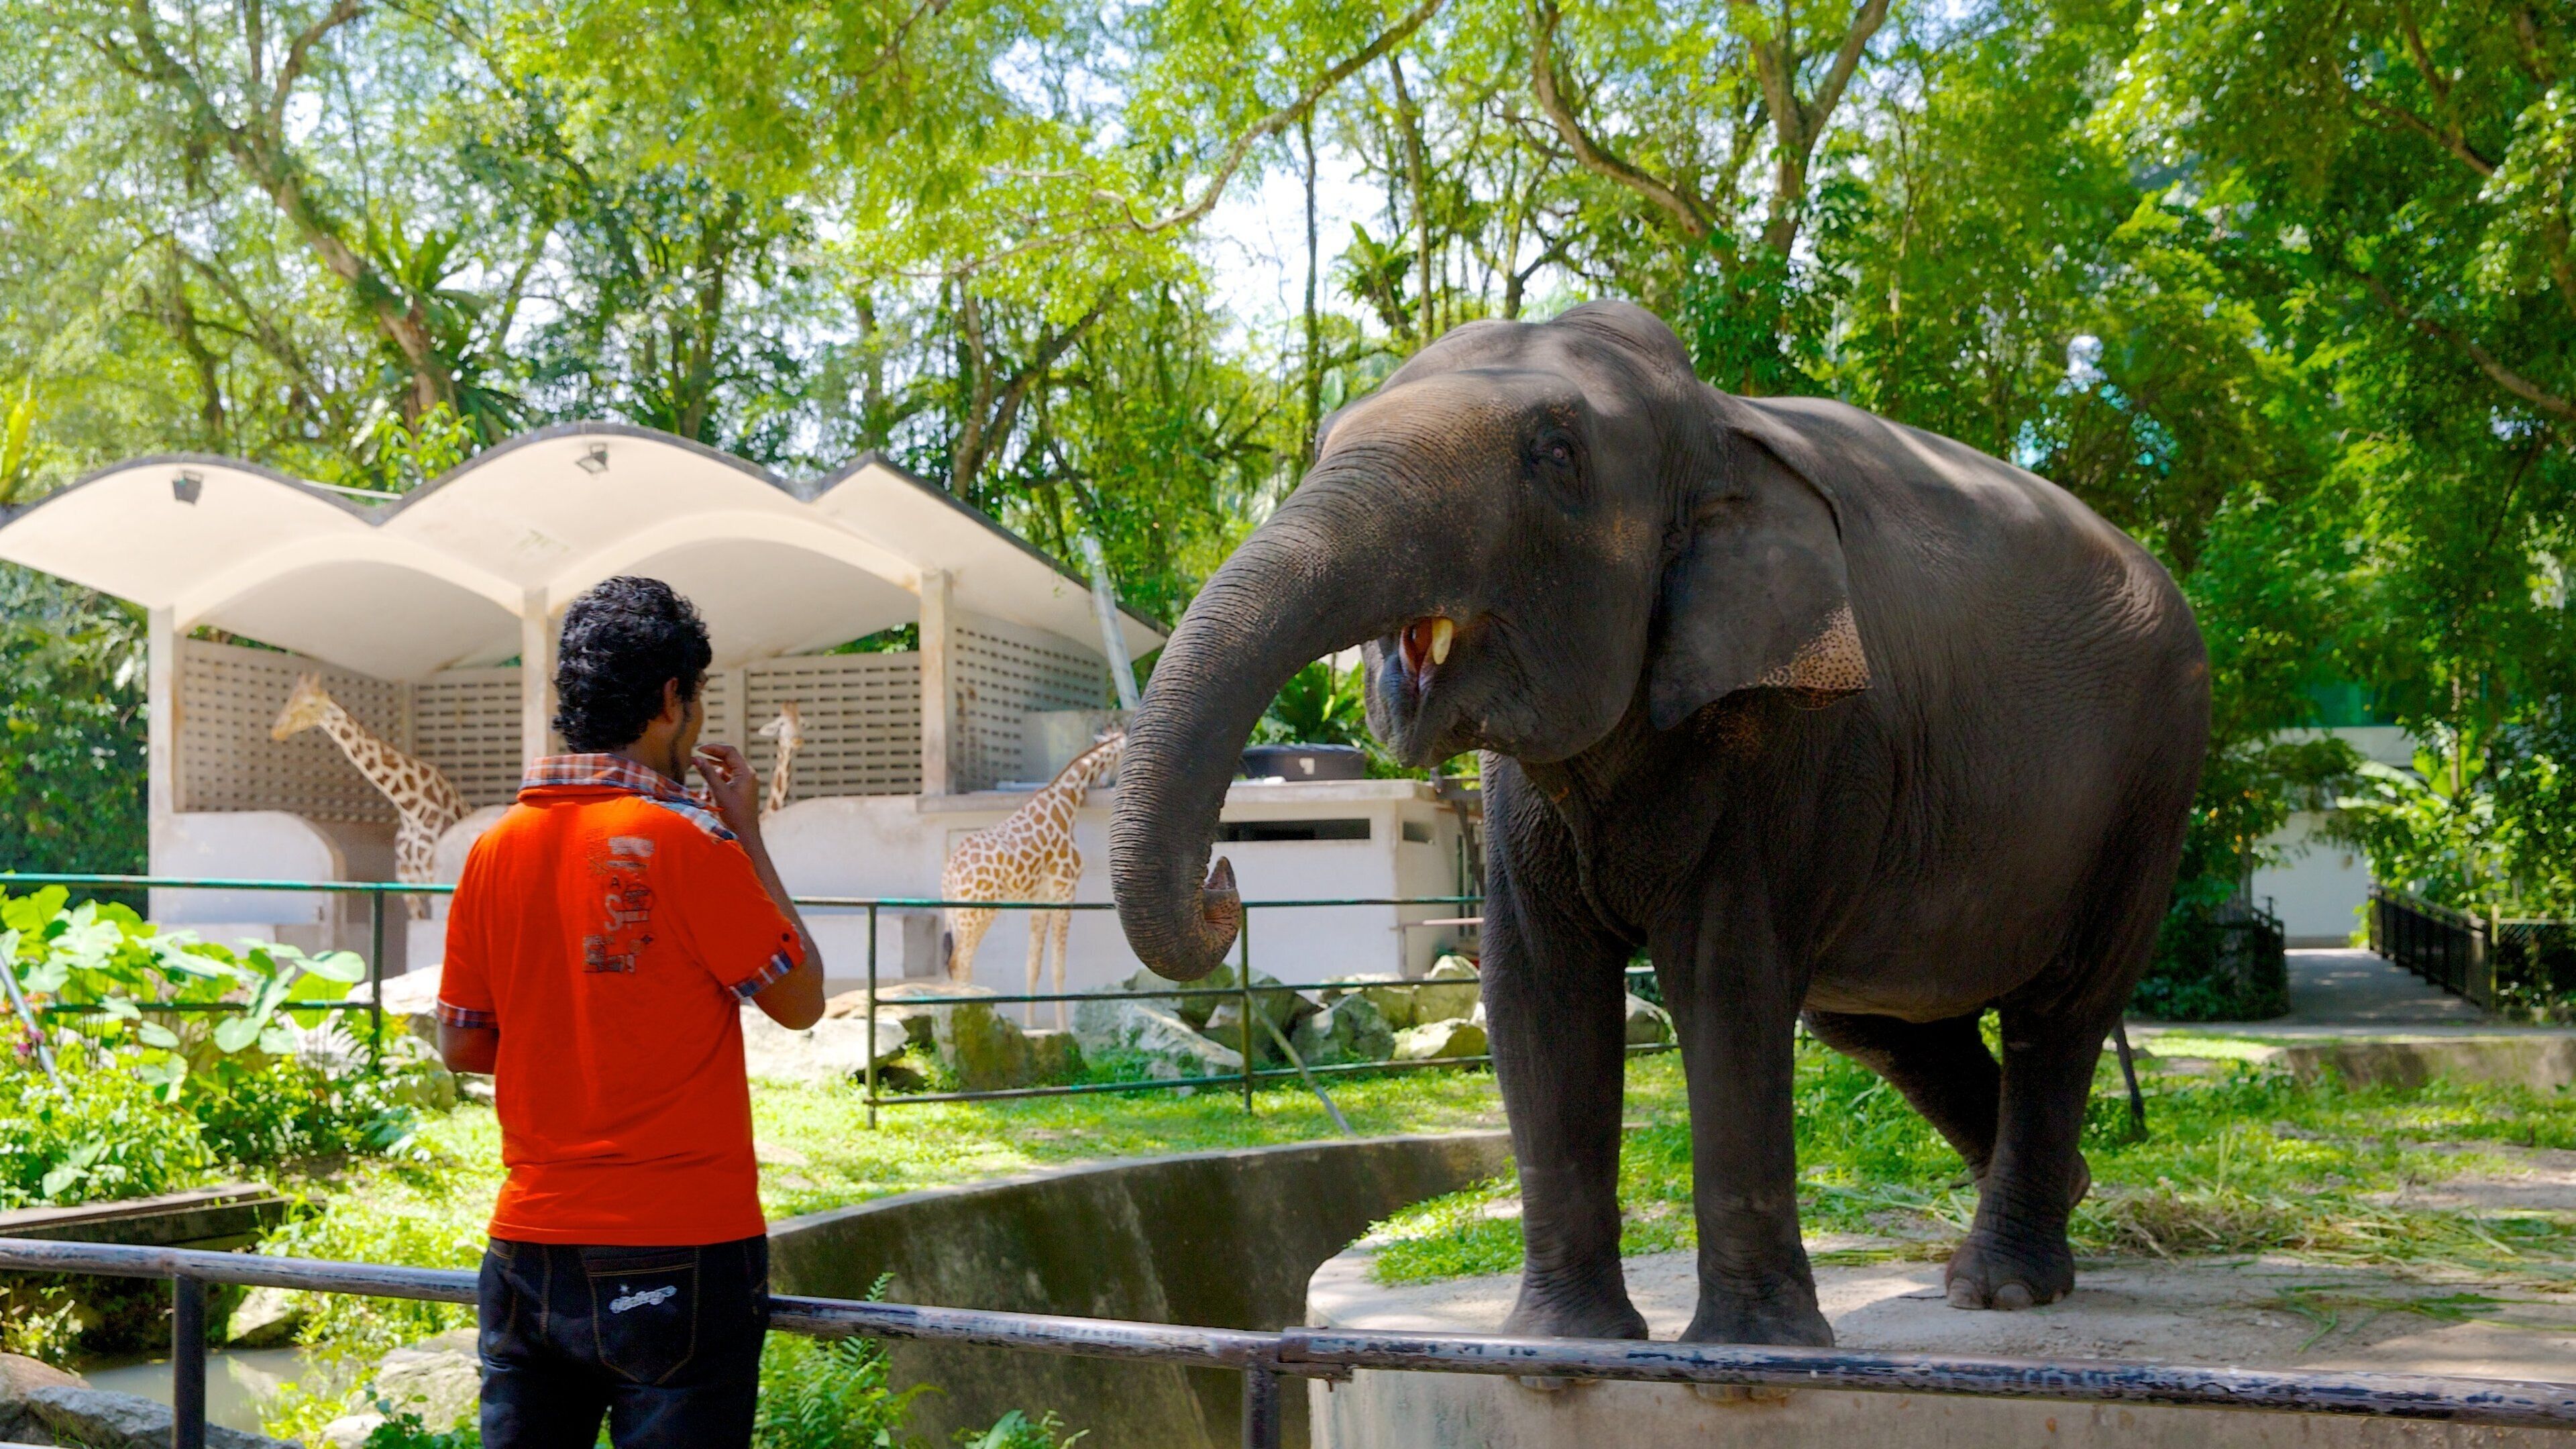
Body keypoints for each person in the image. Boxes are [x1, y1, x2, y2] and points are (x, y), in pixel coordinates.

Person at [436, 576, 824, 1448]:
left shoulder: (492, 851)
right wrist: (748, 831)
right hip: (683, 1257)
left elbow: (461, 1043)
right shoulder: (693, 844)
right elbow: (801, 1000)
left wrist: (569, 1033)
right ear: (669, 700)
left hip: (527, 1257)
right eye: (696, 702)